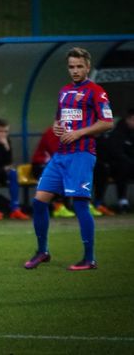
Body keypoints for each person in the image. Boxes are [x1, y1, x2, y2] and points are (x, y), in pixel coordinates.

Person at [24, 47, 114, 271]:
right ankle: (42, 251)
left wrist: (79, 133)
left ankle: (89, 258)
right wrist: (56, 127)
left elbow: (107, 122)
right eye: (71, 67)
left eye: (79, 66)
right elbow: (59, 119)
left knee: (80, 204)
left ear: (87, 67)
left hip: (81, 155)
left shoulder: (97, 92)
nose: (75, 70)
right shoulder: (64, 91)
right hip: (61, 155)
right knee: (39, 201)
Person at [107, 108, 134, 213]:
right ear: (128, 119)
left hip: (129, 164)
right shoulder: (118, 132)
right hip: (117, 166)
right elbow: (116, 153)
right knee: (123, 166)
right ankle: (122, 200)